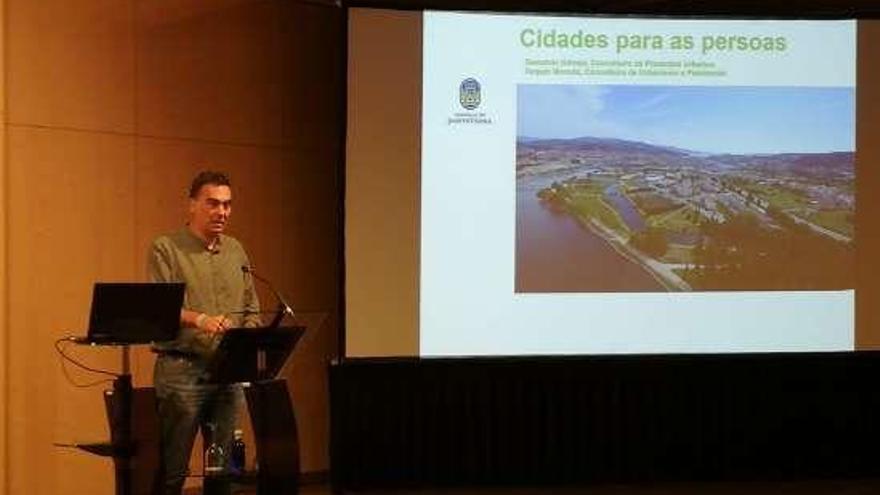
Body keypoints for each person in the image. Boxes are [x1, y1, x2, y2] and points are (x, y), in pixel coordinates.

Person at [148, 170, 261, 495]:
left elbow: (252, 308)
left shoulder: (236, 250)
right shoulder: (166, 248)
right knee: (173, 472)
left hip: (228, 373)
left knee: (223, 472)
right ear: (192, 205)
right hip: (182, 371)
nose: (221, 212)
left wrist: (246, 342)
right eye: (213, 203)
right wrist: (200, 319)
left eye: (227, 205)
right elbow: (159, 309)